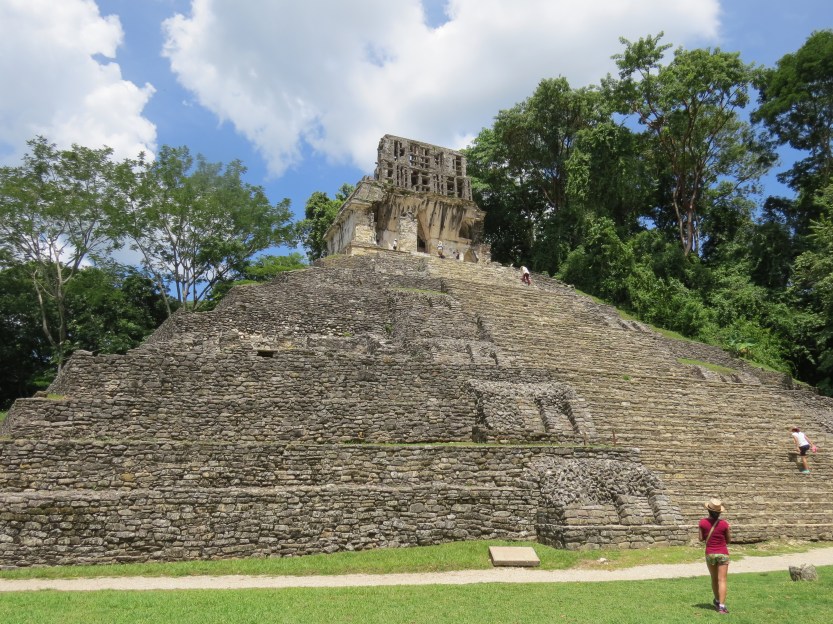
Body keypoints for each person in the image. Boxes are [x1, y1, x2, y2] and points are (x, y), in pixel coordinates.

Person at [699, 498, 731, 614]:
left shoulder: (702, 522)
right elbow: (728, 541)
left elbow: (701, 538)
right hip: (723, 553)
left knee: (714, 578)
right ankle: (722, 607)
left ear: (708, 510)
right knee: (722, 580)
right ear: (719, 512)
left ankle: (717, 600)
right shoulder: (724, 524)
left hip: (710, 553)